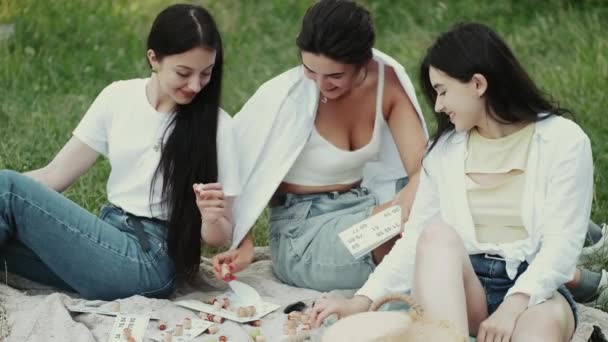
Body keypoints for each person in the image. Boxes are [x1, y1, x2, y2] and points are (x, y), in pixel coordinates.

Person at [311, 22, 596, 341]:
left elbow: (562, 245)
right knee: (434, 237)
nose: (438, 106)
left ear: (477, 84)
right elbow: (414, 240)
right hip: (462, 290)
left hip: (534, 294)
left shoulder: (564, 141)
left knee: (539, 330)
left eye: (442, 90)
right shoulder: (444, 152)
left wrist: (513, 307)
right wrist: (360, 302)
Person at [0, 3, 239, 300]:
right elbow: (54, 175)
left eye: (206, 74)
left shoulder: (219, 127)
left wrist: (211, 218)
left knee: (7, 188)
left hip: (152, 261)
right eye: (183, 73)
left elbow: (220, 238)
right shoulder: (118, 97)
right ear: (154, 58)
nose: (195, 85)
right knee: (5, 234)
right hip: (110, 240)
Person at [212, 0, 428, 291]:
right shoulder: (286, 97)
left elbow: (423, 168)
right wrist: (245, 242)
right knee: (405, 241)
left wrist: (407, 205)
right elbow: (232, 164)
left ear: (363, 62)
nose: (320, 84)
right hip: (303, 231)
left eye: (335, 76)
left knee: (432, 215)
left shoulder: (385, 82)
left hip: (364, 206)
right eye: (310, 69)